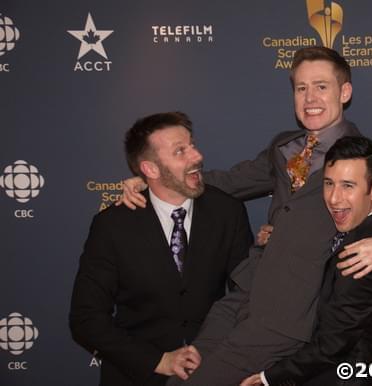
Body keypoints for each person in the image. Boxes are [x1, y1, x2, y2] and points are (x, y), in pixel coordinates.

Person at [123, 47, 372, 385]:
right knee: (182, 375)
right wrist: (157, 178)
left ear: (345, 92)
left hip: (288, 315)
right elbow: (229, 182)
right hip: (243, 294)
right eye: (301, 88)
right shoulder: (284, 147)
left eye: (321, 86)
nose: (310, 97)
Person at [69, 112, 253, 386]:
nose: (196, 156)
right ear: (150, 169)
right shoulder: (112, 226)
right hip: (135, 376)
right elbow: (86, 319)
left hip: (212, 372)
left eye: (192, 145)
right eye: (181, 151)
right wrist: (157, 361)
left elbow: (247, 297)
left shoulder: (228, 212)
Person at [242, 136, 372, 386]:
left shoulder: (365, 254)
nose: (334, 198)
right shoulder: (361, 225)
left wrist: (268, 378)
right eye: (329, 183)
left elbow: (333, 345)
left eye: (348, 186)